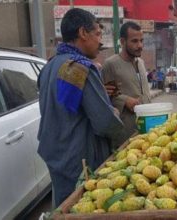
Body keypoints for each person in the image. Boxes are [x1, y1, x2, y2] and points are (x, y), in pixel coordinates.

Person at [37, 8, 123, 207]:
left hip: (55, 154)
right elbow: (104, 122)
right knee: (82, 207)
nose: (100, 41)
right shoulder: (80, 68)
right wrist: (115, 112)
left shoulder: (49, 66)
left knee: (62, 205)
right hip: (80, 159)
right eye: (98, 34)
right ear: (83, 33)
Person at [102, 21, 151, 148]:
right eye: (134, 41)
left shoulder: (140, 62)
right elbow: (105, 95)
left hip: (147, 126)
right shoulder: (110, 64)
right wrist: (125, 100)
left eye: (141, 40)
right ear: (123, 41)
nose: (140, 45)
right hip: (125, 130)